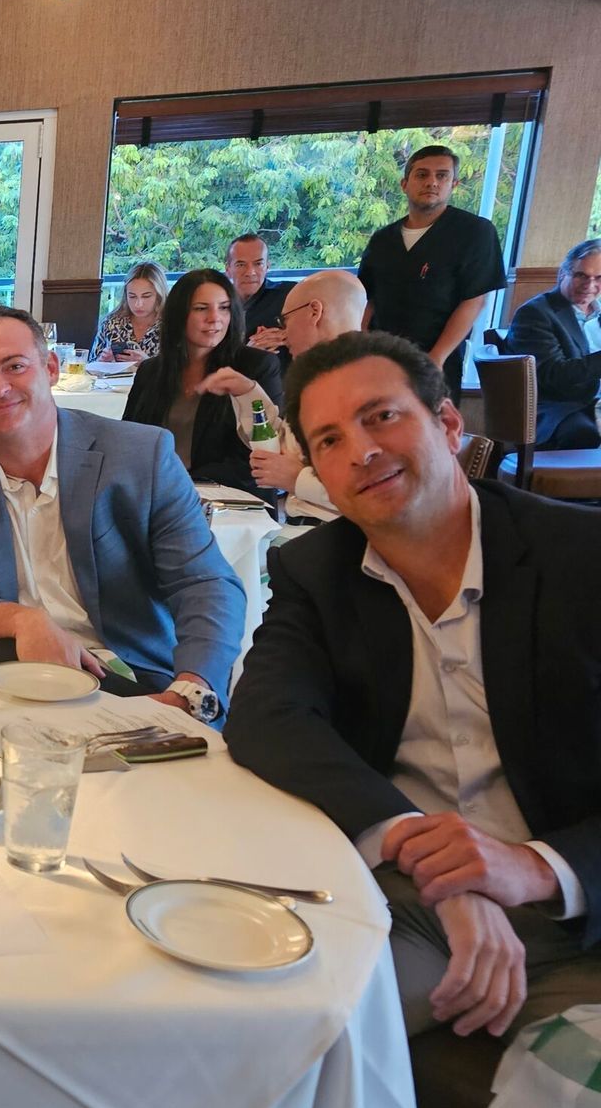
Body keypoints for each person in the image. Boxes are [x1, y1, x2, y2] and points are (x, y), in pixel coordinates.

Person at [225, 330, 601, 1038]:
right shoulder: (317, 570)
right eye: (329, 440)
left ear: (450, 425)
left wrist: (533, 867)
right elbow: (268, 717)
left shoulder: (582, 560)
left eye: (382, 417)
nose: (360, 451)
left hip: (573, 911)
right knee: (278, 1028)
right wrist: (418, 846)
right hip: (407, 899)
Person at [0, 305, 245, 717]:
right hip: (2, 688)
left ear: (50, 368)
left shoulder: (139, 455)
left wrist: (190, 691)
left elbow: (206, 584)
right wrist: (22, 621)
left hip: (133, 684)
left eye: (15, 366)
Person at [358, 145, 506, 402]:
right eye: (422, 175)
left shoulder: (474, 232)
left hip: (437, 357)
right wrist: (358, 347)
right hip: (381, 357)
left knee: (433, 431)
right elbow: (366, 298)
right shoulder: (383, 239)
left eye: (442, 175)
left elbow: (474, 300)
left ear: (454, 184)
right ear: (405, 184)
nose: (432, 182)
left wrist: (437, 357)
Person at [121, 267, 283, 494]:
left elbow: (257, 460)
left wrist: (182, 482)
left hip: (232, 501)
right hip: (159, 494)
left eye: (224, 308)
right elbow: (130, 438)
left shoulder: (255, 367)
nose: (215, 319)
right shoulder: (152, 370)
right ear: (179, 314)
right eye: (201, 309)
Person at [249, 268, 369, 519]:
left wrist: (297, 479)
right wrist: (245, 390)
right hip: (297, 528)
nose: (283, 333)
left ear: (315, 312)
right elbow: (283, 454)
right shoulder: (315, 378)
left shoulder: (371, 385)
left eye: (285, 320)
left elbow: (382, 495)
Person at [506, 237, 601, 450]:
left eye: (599, 278)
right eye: (581, 275)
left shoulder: (598, 311)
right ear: (562, 274)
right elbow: (552, 374)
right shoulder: (535, 314)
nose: (590, 286)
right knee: (583, 434)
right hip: (557, 408)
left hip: (594, 403)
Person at [226, 233, 294, 358]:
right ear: (228, 269)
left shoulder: (290, 295)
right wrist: (248, 354)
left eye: (258, 264)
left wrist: (292, 336)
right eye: (241, 265)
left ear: (267, 266)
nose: (250, 272)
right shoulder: (218, 307)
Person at [89, 261, 167, 366]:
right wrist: (102, 362)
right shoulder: (112, 324)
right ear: (126, 296)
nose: (138, 304)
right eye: (132, 296)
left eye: (146, 296)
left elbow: (180, 373)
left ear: (159, 295)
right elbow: (90, 368)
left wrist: (148, 364)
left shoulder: (171, 327)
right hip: (114, 382)